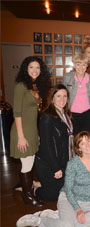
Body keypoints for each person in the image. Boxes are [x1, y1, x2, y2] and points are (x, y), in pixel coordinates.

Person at [16, 131, 90, 227]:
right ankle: (40, 221)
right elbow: (68, 189)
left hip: (86, 200)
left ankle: (60, 217)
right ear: (78, 148)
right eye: (82, 143)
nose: (87, 145)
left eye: (88, 141)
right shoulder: (73, 164)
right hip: (69, 198)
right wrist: (78, 210)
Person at [10, 56, 50, 207]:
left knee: (30, 162)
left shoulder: (35, 86)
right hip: (22, 131)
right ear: (26, 69)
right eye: (31, 67)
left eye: (38, 67)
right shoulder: (21, 86)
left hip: (32, 129)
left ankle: (28, 192)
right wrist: (21, 136)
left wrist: (36, 133)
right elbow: (17, 113)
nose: (35, 70)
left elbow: (35, 112)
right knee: (26, 164)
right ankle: (28, 197)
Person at [35, 84, 73, 202]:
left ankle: (42, 183)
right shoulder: (47, 117)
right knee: (54, 196)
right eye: (58, 96)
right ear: (52, 98)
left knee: (67, 191)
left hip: (63, 160)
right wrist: (56, 168)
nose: (62, 100)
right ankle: (32, 188)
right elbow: (47, 146)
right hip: (48, 162)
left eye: (65, 96)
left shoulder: (66, 114)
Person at [63, 53, 90, 135]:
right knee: (73, 138)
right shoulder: (68, 77)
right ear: (74, 65)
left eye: (84, 65)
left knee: (86, 137)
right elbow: (62, 94)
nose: (81, 68)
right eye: (78, 64)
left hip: (87, 114)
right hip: (71, 114)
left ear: (87, 66)